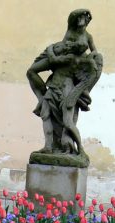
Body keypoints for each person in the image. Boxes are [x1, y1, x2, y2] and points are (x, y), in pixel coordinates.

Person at [27, 9, 103, 154]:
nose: (69, 44)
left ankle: (80, 148)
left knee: (67, 122)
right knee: (46, 115)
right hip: (53, 86)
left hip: (66, 89)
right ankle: (48, 146)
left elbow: (95, 55)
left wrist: (51, 50)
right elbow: (36, 69)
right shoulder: (66, 43)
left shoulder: (75, 58)